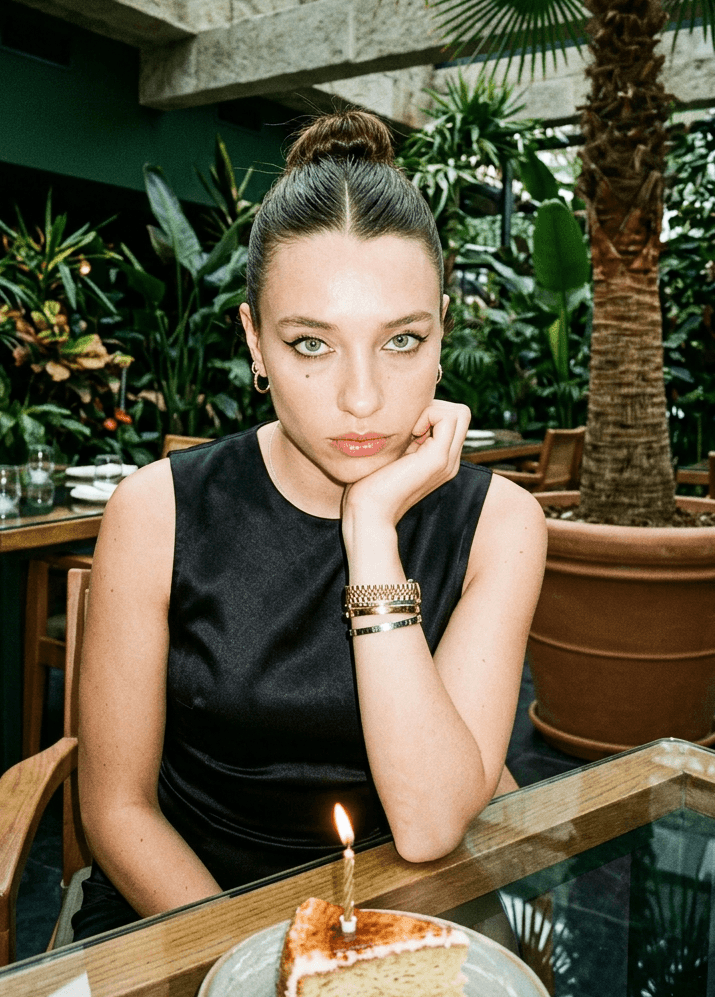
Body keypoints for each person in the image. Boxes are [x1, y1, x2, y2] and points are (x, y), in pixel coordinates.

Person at [73, 110, 547, 939]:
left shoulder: (501, 525)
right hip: (188, 915)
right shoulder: (156, 511)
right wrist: (258, 967)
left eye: (401, 340)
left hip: (410, 914)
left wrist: (371, 528)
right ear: (256, 340)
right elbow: (116, 810)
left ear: (442, 333)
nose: (362, 398)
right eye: (311, 345)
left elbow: (432, 824)